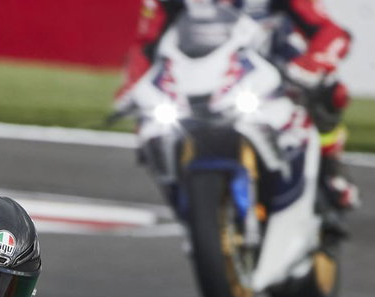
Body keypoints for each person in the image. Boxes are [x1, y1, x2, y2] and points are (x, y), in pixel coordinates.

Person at [115, 0, 360, 211]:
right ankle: (184, 197)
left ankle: (330, 168)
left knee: (331, 92)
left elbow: (331, 32)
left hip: (270, 71)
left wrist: (314, 62)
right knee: (150, 125)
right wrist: (133, 87)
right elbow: (147, 43)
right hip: (201, 78)